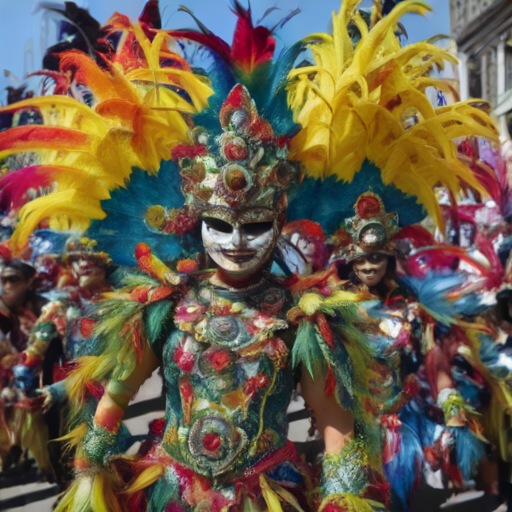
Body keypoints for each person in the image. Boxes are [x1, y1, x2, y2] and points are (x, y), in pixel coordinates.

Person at [0, 1, 500, 510]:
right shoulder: (166, 306)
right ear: (198, 223)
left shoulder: (304, 317)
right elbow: (117, 393)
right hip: (173, 491)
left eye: (254, 225)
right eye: (221, 224)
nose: (236, 240)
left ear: (279, 223)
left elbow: (333, 423)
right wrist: (89, 472)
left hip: (266, 494)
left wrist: (344, 494)